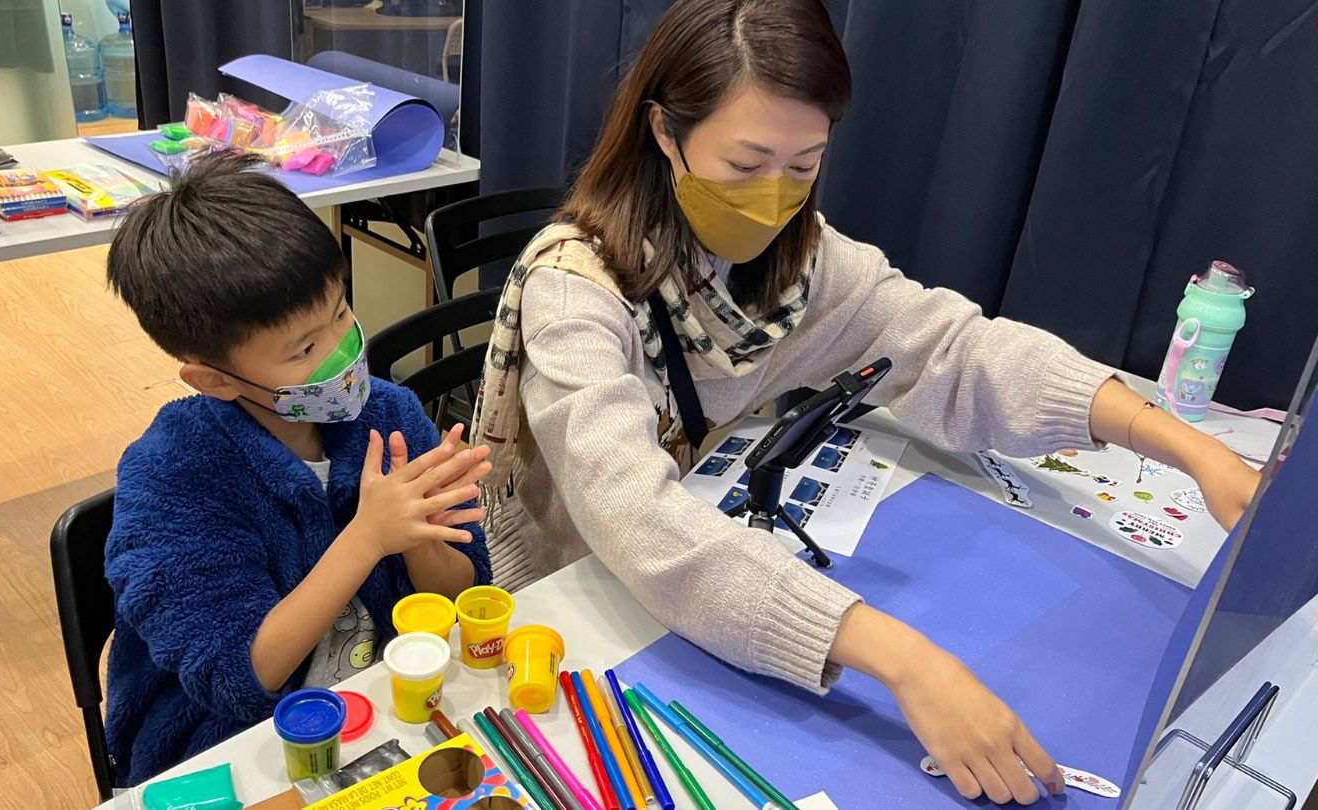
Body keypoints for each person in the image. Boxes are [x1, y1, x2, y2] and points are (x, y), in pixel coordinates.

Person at [474, 0, 1262, 804]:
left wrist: (1184, 445)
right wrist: (905, 662)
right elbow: (633, 515)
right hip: (571, 592)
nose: (773, 197)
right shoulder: (576, 291)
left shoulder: (801, 263)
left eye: (804, 165)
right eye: (746, 164)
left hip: (699, 556)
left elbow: (953, 347)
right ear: (664, 133)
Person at [102, 153, 492, 786]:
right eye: (305, 348)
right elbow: (239, 677)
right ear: (214, 380)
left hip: (388, 705)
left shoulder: (387, 413)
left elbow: (457, 595)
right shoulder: (173, 474)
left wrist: (421, 534)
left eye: (341, 311)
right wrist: (369, 537)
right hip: (246, 746)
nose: (343, 350)